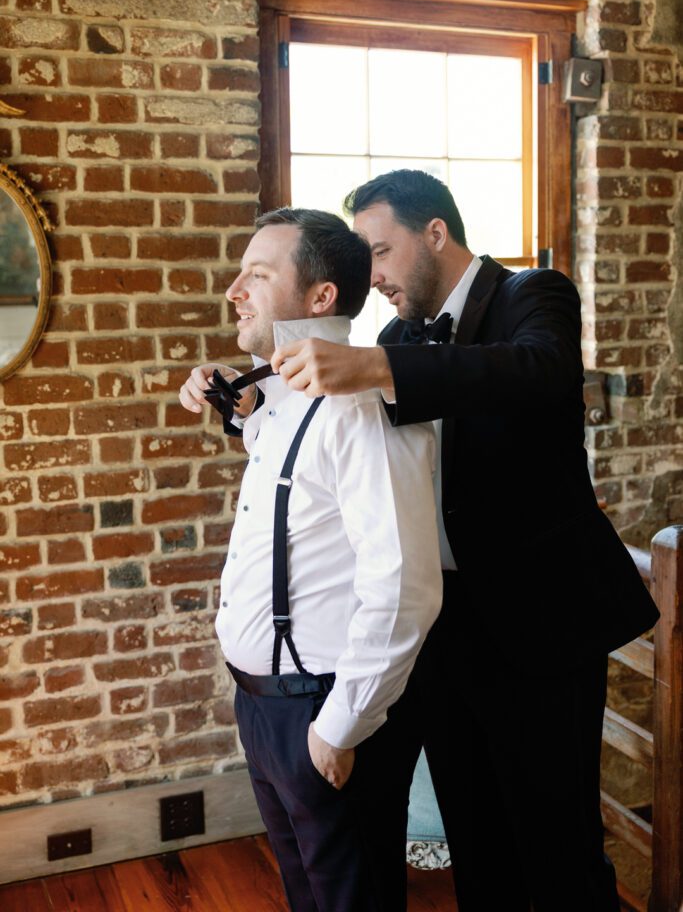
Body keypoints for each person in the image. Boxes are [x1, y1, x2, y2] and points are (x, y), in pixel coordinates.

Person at [270, 170, 660, 912]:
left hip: (541, 626)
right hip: (447, 630)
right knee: (474, 834)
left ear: (435, 234)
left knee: (556, 842)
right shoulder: (394, 335)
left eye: (380, 253)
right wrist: (249, 401)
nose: (373, 276)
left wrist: (377, 366)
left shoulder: (531, 295)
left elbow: (537, 370)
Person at [178, 207, 442, 912]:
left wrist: (339, 725)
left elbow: (406, 587)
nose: (234, 289)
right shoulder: (279, 401)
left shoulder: (360, 413)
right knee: (307, 895)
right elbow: (289, 491)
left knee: (352, 897)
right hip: (264, 707)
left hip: (323, 713)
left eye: (258, 276)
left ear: (320, 299)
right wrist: (236, 400)